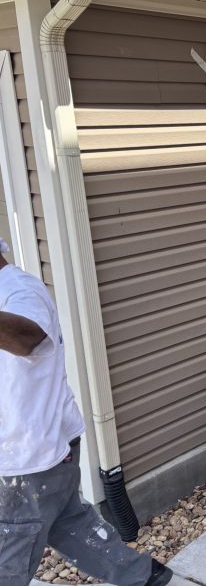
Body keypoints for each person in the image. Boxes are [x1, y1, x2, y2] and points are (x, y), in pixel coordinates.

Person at [0, 239, 172, 586]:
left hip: (28, 460)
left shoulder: (19, 290)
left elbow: (26, 337)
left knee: (9, 554)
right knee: (67, 523)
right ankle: (141, 575)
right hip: (45, 449)